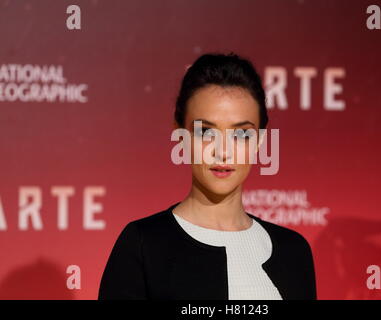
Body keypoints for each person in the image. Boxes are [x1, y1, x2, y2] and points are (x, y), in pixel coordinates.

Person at [98, 52, 317, 300]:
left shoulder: (293, 251)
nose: (223, 151)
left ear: (260, 141)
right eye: (206, 132)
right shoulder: (143, 245)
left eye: (242, 134)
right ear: (180, 135)